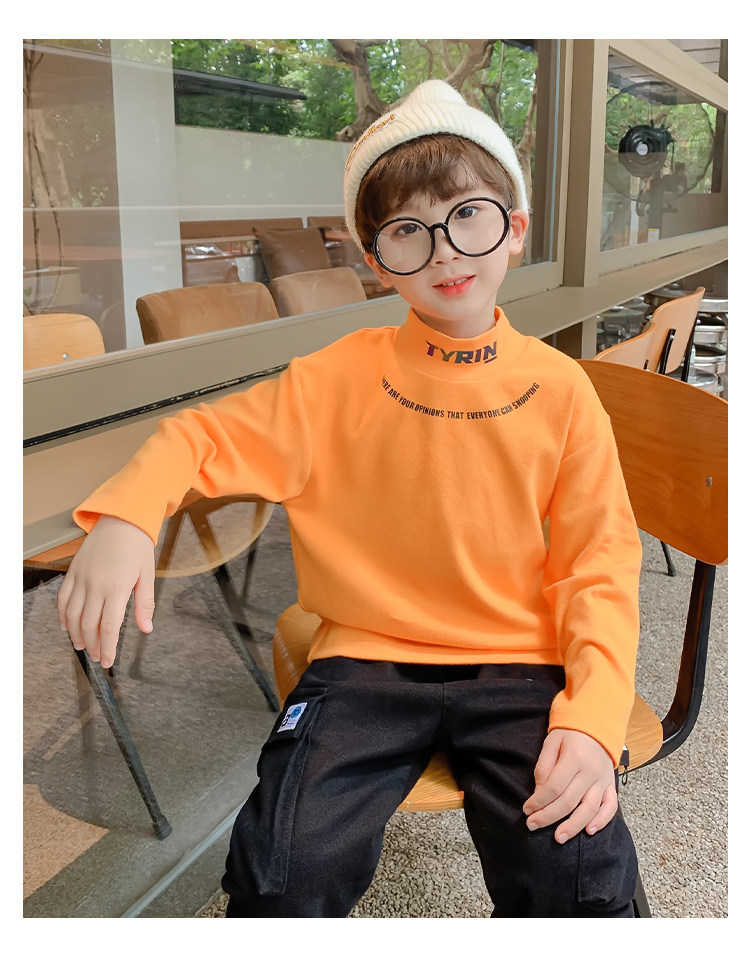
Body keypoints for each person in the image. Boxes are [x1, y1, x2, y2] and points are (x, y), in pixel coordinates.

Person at [57, 79, 641, 917]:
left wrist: (591, 717)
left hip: (522, 660)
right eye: (407, 230)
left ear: (514, 228)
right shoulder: (332, 381)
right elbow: (199, 436)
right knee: (280, 870)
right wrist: (126, 514)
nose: (443, 252)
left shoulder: (563, 390)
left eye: (468, 216)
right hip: (362, 662)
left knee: (579, 874)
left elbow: (600, 563)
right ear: (374, 258)